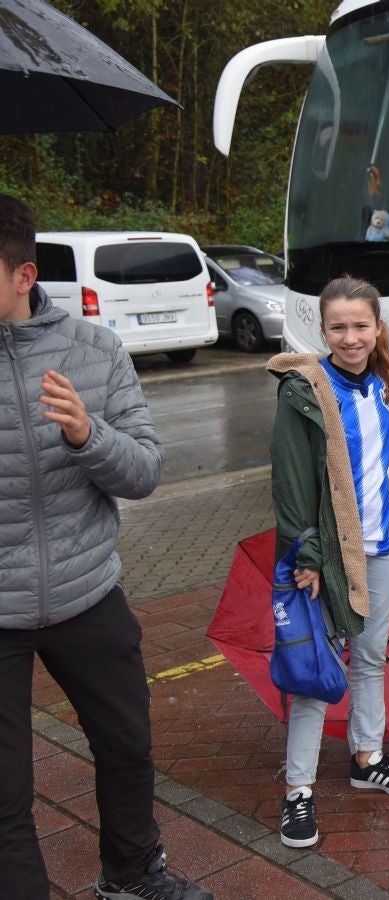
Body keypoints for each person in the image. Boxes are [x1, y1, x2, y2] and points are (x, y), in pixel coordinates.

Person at [0, 195, 212, 898]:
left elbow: (146, 472)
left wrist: (88, 436)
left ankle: (131, 877)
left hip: (85, 588)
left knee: (126, 747)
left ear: (24, 274)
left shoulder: (94, 350)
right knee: (5, 792)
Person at [268, 276, 389, 848]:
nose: (350, 337)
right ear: (323, 329)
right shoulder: (303, 390)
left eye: (360, 325)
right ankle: (298, 792)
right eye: (338, 327)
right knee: (318, 673)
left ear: (377, 328)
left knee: (370, 656)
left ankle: (367, 758)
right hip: (329, 554)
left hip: (384, 546)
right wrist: (308, 554)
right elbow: (292, 482)